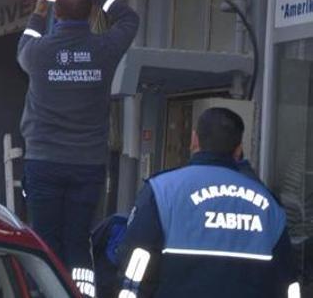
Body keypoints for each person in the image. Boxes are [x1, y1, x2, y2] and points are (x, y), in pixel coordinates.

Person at [17, 0, 139, 297]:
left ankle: (43, 292)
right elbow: (129, 19)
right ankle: (81, 294)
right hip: (88, 165)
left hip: (43, 162)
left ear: (57, 14)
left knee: (43, 237)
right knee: (78, 240)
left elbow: (24, 44)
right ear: (89, 13)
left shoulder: (38, 53)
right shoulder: (104, 49)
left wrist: (36, 14)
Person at [117, 108, 299, 297]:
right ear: (238, 149)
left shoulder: (163, 191)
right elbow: (286, 280)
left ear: (194, 140)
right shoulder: (269, 204)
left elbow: (134, 263)